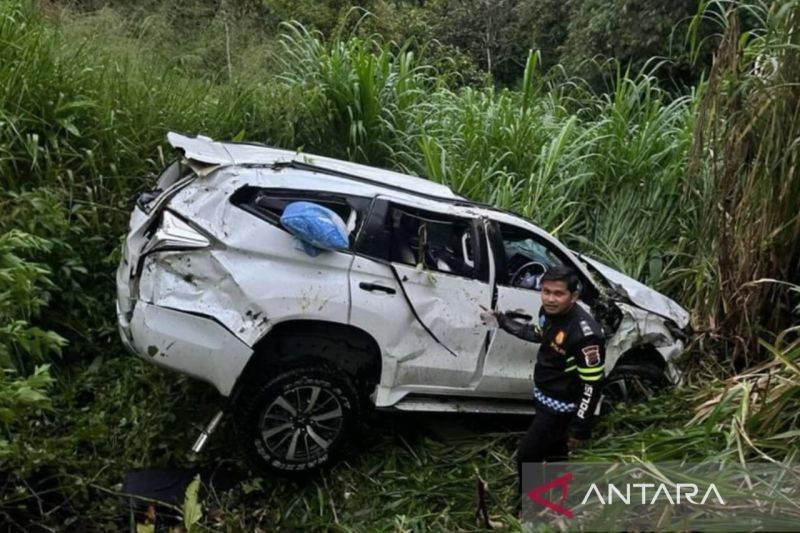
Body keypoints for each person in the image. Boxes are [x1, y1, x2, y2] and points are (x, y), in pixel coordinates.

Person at [480, 265, 605, 478]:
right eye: (546, 292)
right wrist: (502, 321)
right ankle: (556, 499)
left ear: (573, 296)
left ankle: (530, 506)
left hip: (561, 407)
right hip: (543, 395)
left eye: (558, 294)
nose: (550, 299)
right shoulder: (548, 313)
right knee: (556, 454)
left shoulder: (585, 335)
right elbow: (539, 334)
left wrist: (580, 427)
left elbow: (592, 385)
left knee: (527, 456)